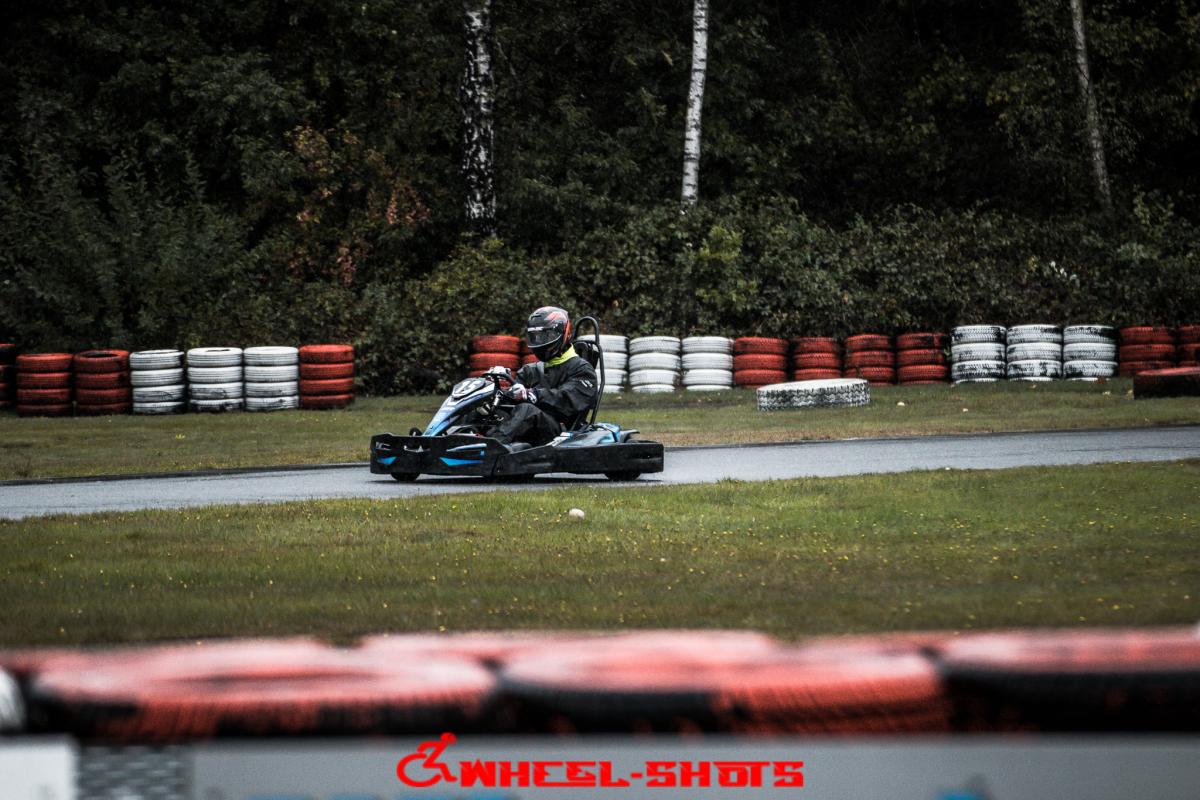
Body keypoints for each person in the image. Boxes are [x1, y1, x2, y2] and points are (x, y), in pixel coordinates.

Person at [486, 306, 598, 446]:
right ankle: (466, 438)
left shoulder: (582, 370)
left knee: (527, 410)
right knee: (486, 408)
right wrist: (497, 395)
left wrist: (533, 394)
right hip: (529, 428)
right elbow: (513, 400)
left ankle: (489, 447)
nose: (539, 341)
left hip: (560, 431)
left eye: (546, 336)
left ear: (562, 334)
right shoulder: (530, 370)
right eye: (536, 337)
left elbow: (566, 400)